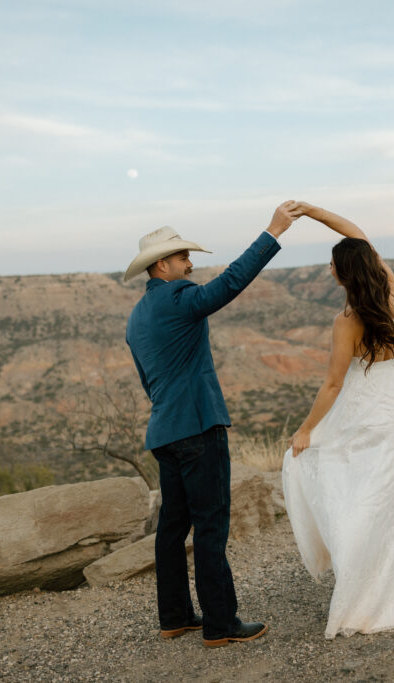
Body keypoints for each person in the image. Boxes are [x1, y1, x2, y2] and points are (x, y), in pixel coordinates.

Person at [124, 200, 303, 648]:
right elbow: (230, 283)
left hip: (164, 431)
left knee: (171, 529)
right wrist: (273, 232)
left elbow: (150, 381)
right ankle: (221, 624)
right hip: (198, 430)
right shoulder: (179, 298)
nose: (190, 264)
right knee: (210, 527)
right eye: (184, 257)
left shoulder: (137, 316)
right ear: (162, 264)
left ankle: (176, 617)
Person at [281, 202, 394, 639]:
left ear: (341, 274)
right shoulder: (389, 289)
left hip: (368, 408)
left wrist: (306, 429)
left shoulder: (347, 321)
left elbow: (332, 385)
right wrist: (313, 212)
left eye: (332, 262)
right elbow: (359, 236)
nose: (328, 266)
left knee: (356, 496)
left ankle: (361, 594)